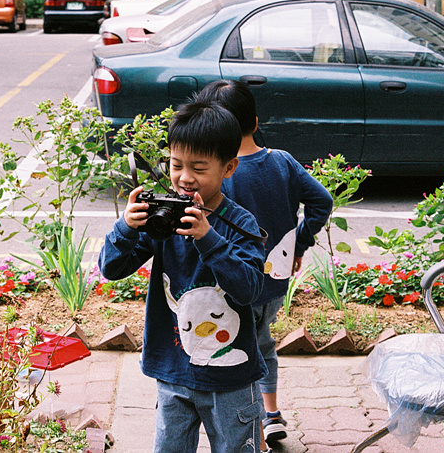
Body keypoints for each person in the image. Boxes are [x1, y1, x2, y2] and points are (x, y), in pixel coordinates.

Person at [98, 100, 268, 453]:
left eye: (199, 167)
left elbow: (249, 288)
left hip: (232, 377)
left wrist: (208, 238)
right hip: (173, 370)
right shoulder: (164, 218)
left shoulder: (241, 224)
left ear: (229, 168)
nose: (185, 177)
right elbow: (111, 268)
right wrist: (127, 227)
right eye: (176, 165)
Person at [195, 80, 333, 446]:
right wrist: (299, 241)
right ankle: (271, 414)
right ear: (255, 122)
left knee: (244, 351)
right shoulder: (282, 162)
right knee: (263, 343)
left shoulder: (220, 174)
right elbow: (322, 202)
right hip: (274, 276)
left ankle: (252, 424)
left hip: (232, 285)